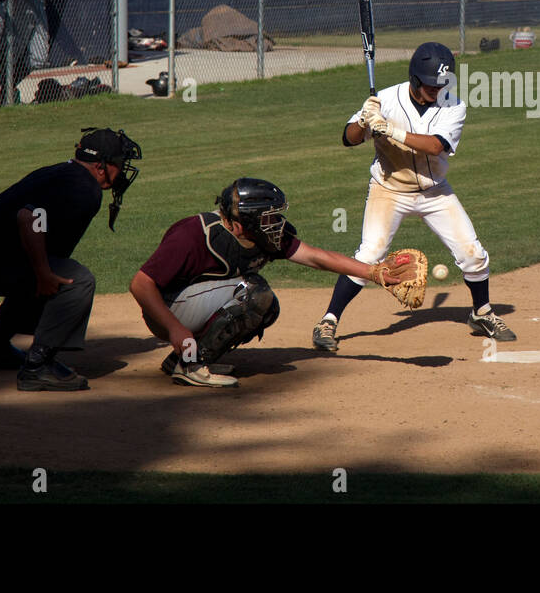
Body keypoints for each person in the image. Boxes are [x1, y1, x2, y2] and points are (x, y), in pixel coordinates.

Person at [312, 41, 516, 353]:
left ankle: (482, 313)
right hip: (389, 191)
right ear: (416, 79)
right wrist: (362, 122)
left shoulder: (455, 106)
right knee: (368, 255)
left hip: (435, 193)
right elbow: (348, 139)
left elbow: (436, 146)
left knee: (473, 254)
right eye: (432, 86)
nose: (437, 91)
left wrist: (390, 131)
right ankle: (328, 320)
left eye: (441, 85)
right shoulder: (386, 100)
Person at [129, 178, 409, 388]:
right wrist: (175, 329)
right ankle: (190, 366)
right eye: (268, 217)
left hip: (193, 307)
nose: (275, 222)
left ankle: (185, 358)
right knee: (254, 293)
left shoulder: (263, 234)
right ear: (239, 225)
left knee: (266, 306)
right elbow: (141, 284)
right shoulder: (194, 234)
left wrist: (375, 272)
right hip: (165, 311)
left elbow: (317, 258)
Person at [0, 127, 143, 391]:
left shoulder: (60, 172)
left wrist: (41, 270)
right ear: (100, 166)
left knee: (45, 268)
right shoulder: (85, 187)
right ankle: (38, 365)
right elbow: (30, 217)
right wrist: (43, 272)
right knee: (76, 281)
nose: (122, 171)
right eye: (119, 163)